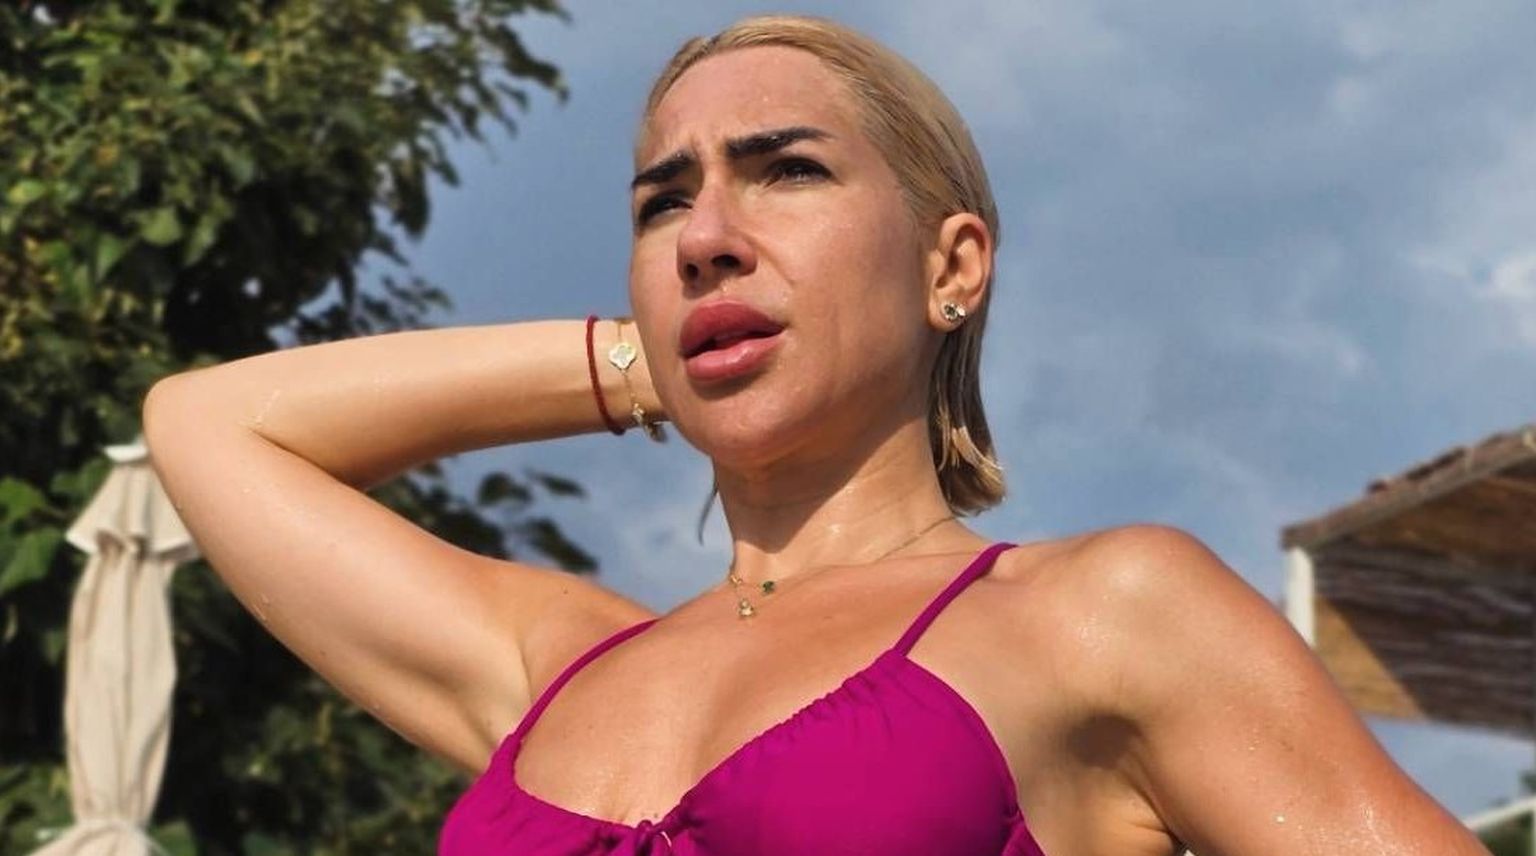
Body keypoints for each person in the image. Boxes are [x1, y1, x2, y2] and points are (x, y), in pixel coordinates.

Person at [143, 14, 1487, 856]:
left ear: (952, 266)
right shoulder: (558, 667)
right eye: (663, 205)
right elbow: (206, 426)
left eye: (787, 170)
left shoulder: (1106, 613)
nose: (708, 236)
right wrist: (649, 360)